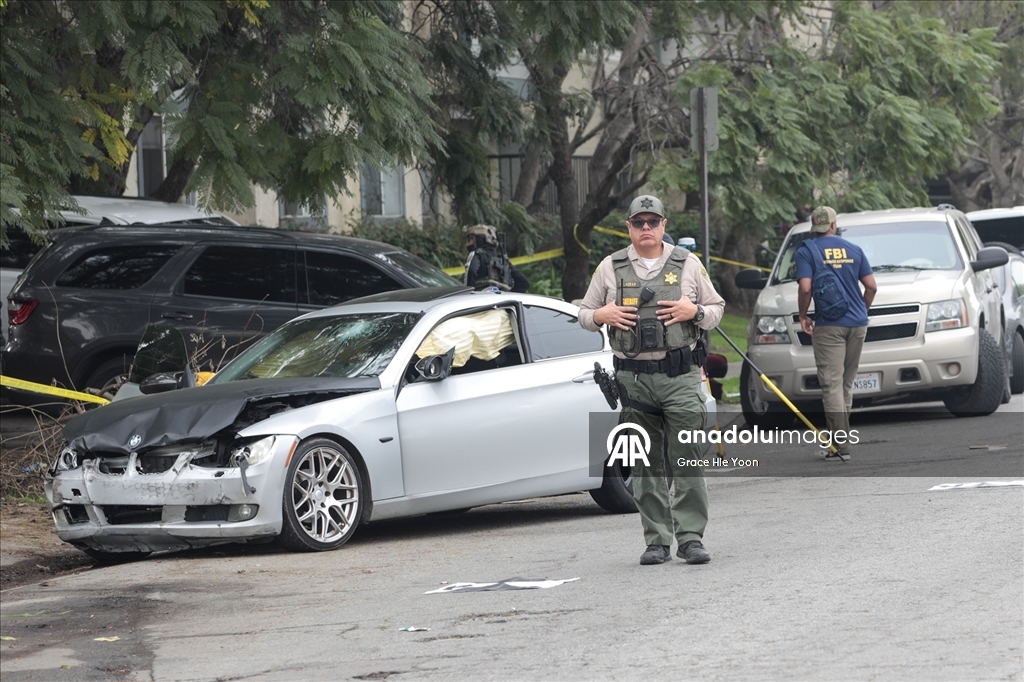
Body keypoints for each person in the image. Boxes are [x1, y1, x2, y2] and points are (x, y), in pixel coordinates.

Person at [578, 194, 725, 566]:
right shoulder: (609, 268)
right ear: (628, 226)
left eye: (653, 222)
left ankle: (690, 538)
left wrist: (695, 311)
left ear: (663, 225)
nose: (647, 228)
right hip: (634, 381)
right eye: (639, 222)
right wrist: (601, 315)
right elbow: (583, 313)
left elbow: (716, 309)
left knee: (687, 458)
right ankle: (657, 540)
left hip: (680, 377)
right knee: (644, 462)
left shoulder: (688, 263)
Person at [796, 206, 877, 462]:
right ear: (833, 225)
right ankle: (838, 440)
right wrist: (861, 311)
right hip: (858, 324)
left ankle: (841, 446)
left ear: (815, 227)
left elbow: (806, 288)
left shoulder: (806, 251)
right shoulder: (854, 249)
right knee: (845, 384)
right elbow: (871, 287)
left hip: (829, 325)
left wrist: (803, 315)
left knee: (831, 385)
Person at [463, 224, 529, 292]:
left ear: (479, 239)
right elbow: (524, 283)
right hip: (501, 298)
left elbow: (472, 272)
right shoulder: (501, 260)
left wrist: (468, 294)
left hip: (481, 297)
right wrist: (509, 295)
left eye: (469, 239)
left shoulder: (476, 254)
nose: (466, 244)